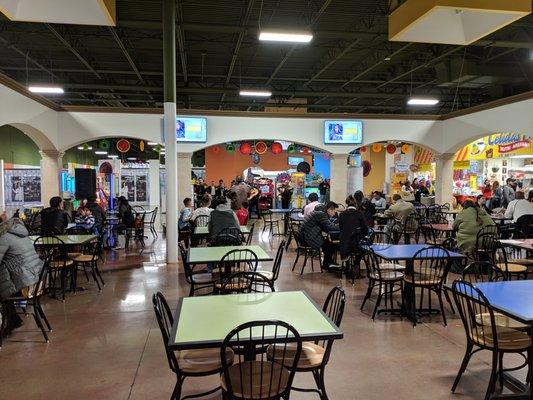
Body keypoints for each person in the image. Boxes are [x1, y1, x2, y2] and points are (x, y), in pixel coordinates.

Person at [0, 212, 43, 337]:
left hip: (25, 286)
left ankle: (10, 320)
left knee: (3, 287)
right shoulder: (21, 234)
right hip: (35, 282)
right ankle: (13, 319)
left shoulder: (4, 238)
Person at [299, 202, 339, 271]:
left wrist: (334, 224)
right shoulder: (321, 214)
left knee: (328, 243)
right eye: (334, 211)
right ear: (329, 210)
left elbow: (326, 223)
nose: (334, 214)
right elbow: (329, 227)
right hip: (308, 238)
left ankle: (328, 263)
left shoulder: (319, 212)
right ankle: (328, 264)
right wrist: (343, 227)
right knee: (330, 245)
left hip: (303, 236)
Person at [339, 195, 368, 260]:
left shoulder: (341, 214)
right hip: (356, 244)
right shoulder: (360, 214)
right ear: (356, 205)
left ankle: (347, 263)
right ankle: (356, 263)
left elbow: (341, 228)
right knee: (363, 246)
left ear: (347, 204)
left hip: (344, 245)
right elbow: (365, 229)